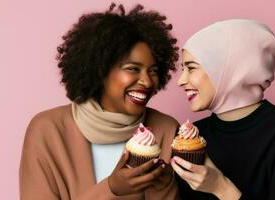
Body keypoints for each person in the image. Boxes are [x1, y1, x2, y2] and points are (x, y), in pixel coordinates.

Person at [19, 3, 180, 200]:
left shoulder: (166, 129)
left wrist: (162, 187)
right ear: (101, 70)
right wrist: (111, 189)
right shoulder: (47, 130)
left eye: (153, 71)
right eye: (132, 68)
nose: (147, 81)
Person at [171, 19, 275, 200]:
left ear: (229, 68)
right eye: (182, 69)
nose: (181, 81)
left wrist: (221, 187)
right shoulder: (190, 136)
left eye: (191, 68)